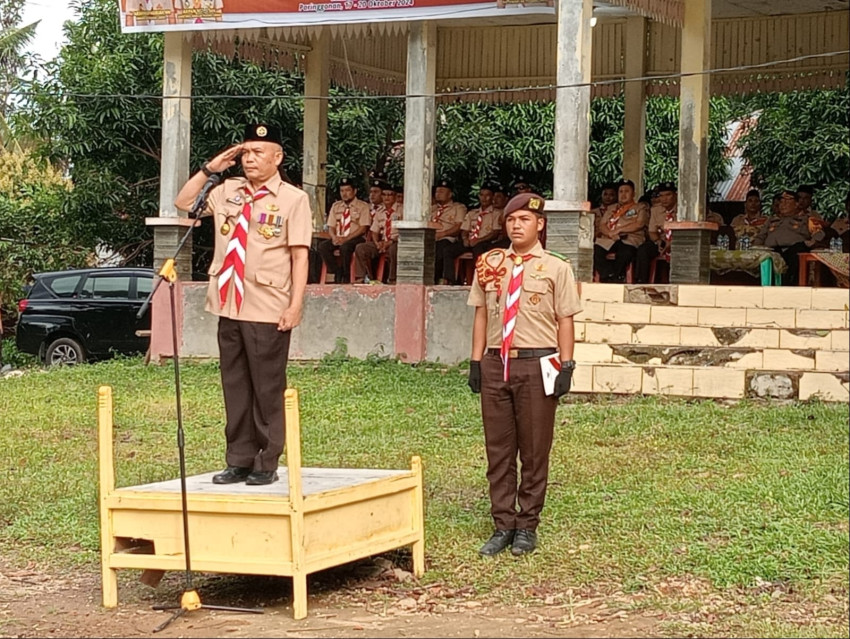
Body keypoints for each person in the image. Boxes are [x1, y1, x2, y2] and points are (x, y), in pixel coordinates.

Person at [174, 123, 312, 486]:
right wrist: (210, 168)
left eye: (258, 153)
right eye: (245, 153)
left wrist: (295, 304)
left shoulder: (292, 199)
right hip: (229, 302)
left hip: (268, 304)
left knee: (266, 387)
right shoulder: (227, 190)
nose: (249, 160)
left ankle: (266, 461)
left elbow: (300, 256)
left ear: (278, 157)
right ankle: (239, 459)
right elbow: (184, 203)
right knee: (234, 384)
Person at [467, 192, 581, 557]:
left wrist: (567, 364)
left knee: (534, 449)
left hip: (537, 363)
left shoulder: (557, 267)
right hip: (497, 361)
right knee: (498, 449)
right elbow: (482, 314)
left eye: (524, 220)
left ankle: (527, 524)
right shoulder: (490, 264)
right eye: (511, 220)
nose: (516, 226)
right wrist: (475, 361)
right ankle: (503, 524)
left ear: (540, 224)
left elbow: (565, 319)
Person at [753, 189, 826, 285]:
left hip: (794, 250)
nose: (783, 205)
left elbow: (819, 234)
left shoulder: (806, 219)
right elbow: (760, 237)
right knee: (767, 256)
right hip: (773, 251)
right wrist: (754, 248)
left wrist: (812, 242)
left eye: (787, 201)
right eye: (781, 202)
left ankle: (790, 285)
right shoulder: (771, 220)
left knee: (798, 250)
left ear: (796, 204)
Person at [442, 181, 503, 284]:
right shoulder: (472, 213)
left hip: (484, 241)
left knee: (479, 250)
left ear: (492, 197)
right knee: (448, 250)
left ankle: (479, 279)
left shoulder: (497, 213)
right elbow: (465, 230)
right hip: (470, 241)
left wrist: (479, 240)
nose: (484, 198)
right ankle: (450, 280)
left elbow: (495, 233)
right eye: (482, 195)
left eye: (488, 195)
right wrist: (465, 239)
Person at [594, 179, 648, 282]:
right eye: (621, 191)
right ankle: (608, 275)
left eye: (627, 191)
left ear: (633, 193)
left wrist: (619, 230)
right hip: (610, 238)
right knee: (596, 250)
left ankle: (618, 277)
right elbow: (602, 224)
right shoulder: (612, 208)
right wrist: (609, 233)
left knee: (625, 252)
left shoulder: (640, 207)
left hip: (629, 238)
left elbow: (639, 223)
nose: (623, 194)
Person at [318, 177, 371, 283]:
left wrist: (346, 238)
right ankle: (336, 271)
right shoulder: (336, 206)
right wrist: (334, 237)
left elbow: (363, 228)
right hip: (339, 237)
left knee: (345, 247)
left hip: (355, 237)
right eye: (342, 191)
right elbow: (331, 226)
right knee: (323, 246)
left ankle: (346, 276)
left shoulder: (363, 206)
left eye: (347, 190)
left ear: (354, 191)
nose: (344, 194)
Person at [354, 184, 403, 283]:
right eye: (384, 195)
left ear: (394, 196)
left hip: (396, 241)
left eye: (390, 195)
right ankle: (361, 278)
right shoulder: (380, 211)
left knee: (394, 249)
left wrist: (390, 242)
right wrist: (377, 243)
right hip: (382, 242)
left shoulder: (402, 210)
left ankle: (392, 279)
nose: (387, 197)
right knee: (361, 248)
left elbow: (404, 232)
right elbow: (374, 231)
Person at [635, 181, 677, 284]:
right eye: (661, 196)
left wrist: (672, 243)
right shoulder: (656, 210)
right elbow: (652, 231)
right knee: (643, 249)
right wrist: (658, 241)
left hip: (678, 242)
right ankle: (642, 283)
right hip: (662, 241)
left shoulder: (684, 209)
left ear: (675, 195)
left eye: (668, 195)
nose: (664, 199)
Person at [430, 178, 467, 284]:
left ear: (450, 194)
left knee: (441, 247)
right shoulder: (432, 209)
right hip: (432, 238)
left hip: (448, 238)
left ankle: (439, 278)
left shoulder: (458, 208)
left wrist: (442, 234)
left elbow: (459, 226)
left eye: (442, 191)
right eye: (437, 191)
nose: (438, 194)